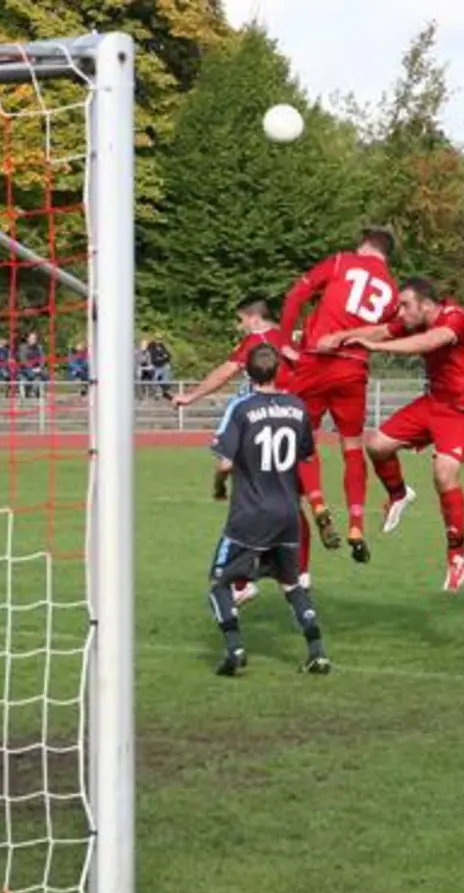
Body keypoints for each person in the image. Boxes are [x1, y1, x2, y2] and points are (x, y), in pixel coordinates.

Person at [319, 277, 464, 592]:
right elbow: (381, 330)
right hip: (434, 402)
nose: (400, 312)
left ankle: (457, 555)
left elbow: (429, 342)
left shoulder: (455, 318)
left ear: (425, 304)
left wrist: (377, 348)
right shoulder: (415, 321)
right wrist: (341, 336)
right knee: (377, 444)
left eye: (405, 305)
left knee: (444, 473)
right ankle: (398, 494)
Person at [174, 298, 313, 604]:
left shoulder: (258, 340)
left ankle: (240, 582)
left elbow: (225, 372)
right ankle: (300, 572)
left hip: (260, 423)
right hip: (291, 422)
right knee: (290, 500)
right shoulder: (288, 338)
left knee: (249, 500)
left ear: (254, 318)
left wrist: (191, 396)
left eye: (241, 320)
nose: (240, 327)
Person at [205, 344, 331, 677]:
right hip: (288, 513)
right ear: (278, 371)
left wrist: (219, 487)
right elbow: (305, 455)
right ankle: (317, 652)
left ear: (248, 373)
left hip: (250, 513)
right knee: (291, 584)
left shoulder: (241, 407)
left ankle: (235, 650)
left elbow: (224, 463)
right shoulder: (297, 406)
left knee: (219, 583)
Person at [278, 226, 400, 562]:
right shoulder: (392, 290)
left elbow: (296, 295)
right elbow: (389, 332)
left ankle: (318, 503)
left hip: (317, 360)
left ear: (364, 244)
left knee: (303, 437)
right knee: (352, 445)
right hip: (354, 370)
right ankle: (356, 525)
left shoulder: (342, 262)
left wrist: (285, 342)